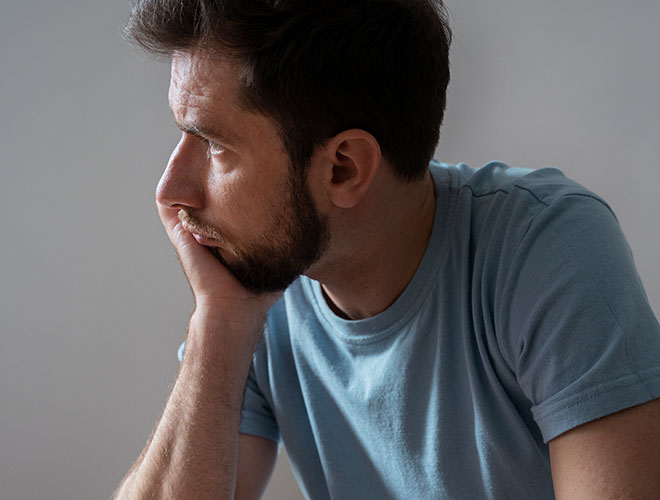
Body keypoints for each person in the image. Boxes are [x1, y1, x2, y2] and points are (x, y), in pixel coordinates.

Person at [114, 1, 660, 498]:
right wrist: (219, 321)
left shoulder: (546, 249)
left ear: (343, 167)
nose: (171, 191)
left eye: (214, 145)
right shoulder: (262, 288)